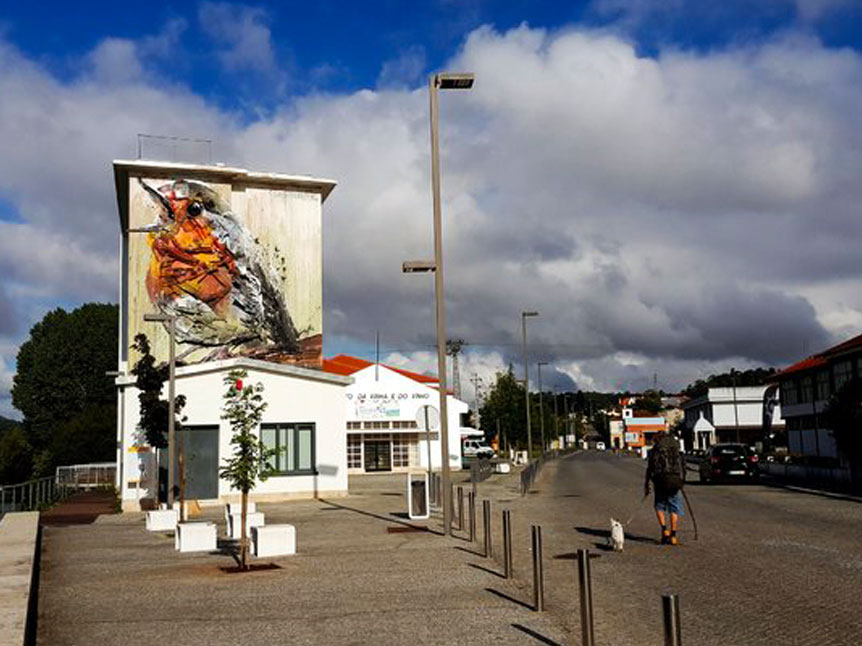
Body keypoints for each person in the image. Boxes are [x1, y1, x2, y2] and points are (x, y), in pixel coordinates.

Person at [644, 431, 686, 545]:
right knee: (674, 508)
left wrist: (647, 485)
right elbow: (683, 466)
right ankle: (673, 535)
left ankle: (664, 530)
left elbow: (650, 469)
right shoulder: (675, 449)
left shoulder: (655, 451)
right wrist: (682, 482)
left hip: (660, 482)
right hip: (675, 482)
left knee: (659, 506)